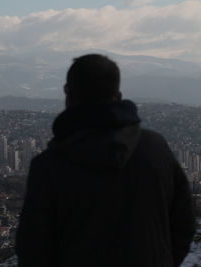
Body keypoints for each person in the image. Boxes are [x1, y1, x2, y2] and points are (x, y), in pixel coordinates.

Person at [16, 54, 195, 267]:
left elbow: (33, 249)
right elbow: (184, 221)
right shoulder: (156, 148)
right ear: (118, 95)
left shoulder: (49, 166)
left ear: (68, 94)